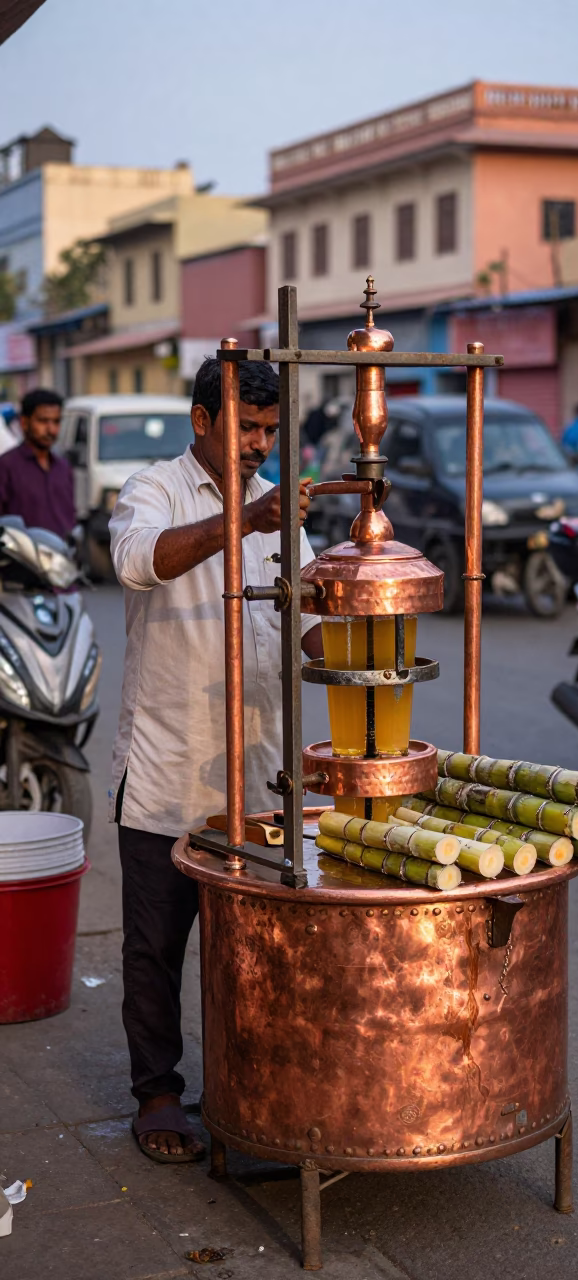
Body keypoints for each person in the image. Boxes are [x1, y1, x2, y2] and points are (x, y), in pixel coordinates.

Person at [109, 358, 323, 1163]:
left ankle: (249, 1087)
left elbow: (304, 627)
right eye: (247, 429)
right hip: (169, 770)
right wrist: (247, 520)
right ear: (202, 422)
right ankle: (158, 1093)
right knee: (156, 947)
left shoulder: (282, 517)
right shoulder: (153, 489)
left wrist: (366, 632)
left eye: (270, 431)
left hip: (260, 774)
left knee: (258, 952)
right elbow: (138, 562)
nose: (261, 445)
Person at [0, 388, 75, 537]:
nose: (51, 429)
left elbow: (71, 516)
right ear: (24, 423)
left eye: (56, 421)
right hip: (22, 558)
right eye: (43, 421)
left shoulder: (63, 467)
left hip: (62, 556)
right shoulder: (6, 466)